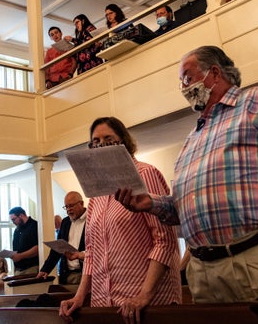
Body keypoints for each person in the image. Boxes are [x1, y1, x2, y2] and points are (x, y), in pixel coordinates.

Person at [115, 46, 258, 303]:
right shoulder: (193, 138)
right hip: (203, 273)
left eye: (187, 78)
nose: (183, 88)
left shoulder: (257, 102)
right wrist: (152, 204)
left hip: (257, 260)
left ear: (214, 73)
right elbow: (186, 208)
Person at [60, 117, 181, 324]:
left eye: (109, 139)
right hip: (105, 301)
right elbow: (92, 252)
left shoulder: (145, 174)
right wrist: (80, 296)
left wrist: (144, 295)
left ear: (124, 141)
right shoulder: (95, 192)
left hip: (144, 301)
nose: (102, 146)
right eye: (96, 142)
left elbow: (164, 241)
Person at [37, 191, 87, 285]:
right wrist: (46, 269)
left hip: (87, 274)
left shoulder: (93, 219)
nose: (68, 210)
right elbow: (58, 249)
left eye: (71, 206)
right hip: (66, 274)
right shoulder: (65, 222)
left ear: (81, 203)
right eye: (66, 207)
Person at [9, 206, 39, 275]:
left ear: (21, 215)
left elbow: (37, 248)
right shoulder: (17, 230)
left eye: (14, 219)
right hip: (18, 269)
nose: (13, 222)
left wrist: (20, 256)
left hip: (31, 268)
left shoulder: (34, 226)